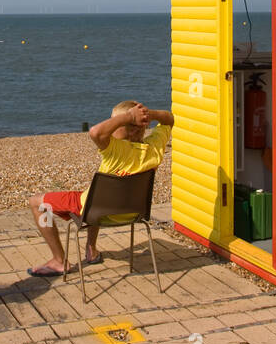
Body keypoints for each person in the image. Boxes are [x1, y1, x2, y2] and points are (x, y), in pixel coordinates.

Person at [27, 100, 174, 277]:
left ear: (131, 127)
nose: (110, 125)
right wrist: (148, 115)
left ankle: (59, 261)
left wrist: (127, 116)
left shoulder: (114, 149)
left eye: (115, 122)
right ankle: (92, 249)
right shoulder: (153, 149)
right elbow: (169, 119)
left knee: (36, 203)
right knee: (97, 193)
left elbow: (95, 131)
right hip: (132, 212)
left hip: (96, 212)